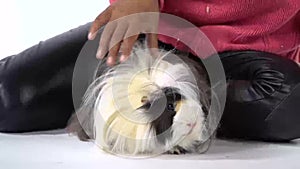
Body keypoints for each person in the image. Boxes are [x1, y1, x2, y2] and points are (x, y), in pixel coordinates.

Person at [0, 0, 299, 142]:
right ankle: (143, 95)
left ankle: (167, 98)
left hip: (248, 56)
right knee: (10, 96)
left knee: (290, 99)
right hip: (152, 32)